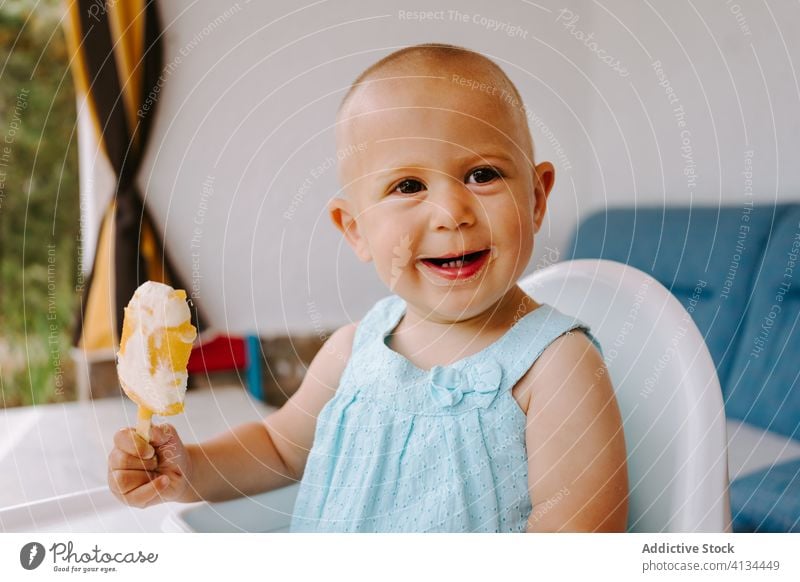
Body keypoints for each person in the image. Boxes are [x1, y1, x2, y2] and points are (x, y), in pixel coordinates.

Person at [107, 43, 629, 532]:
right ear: (355, 229)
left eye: (482, 174)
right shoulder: (353, 350)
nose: (451, 213)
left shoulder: (558, 368)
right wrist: (188, 468)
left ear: (537, 198)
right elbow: (278, 447)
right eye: (408, 186)